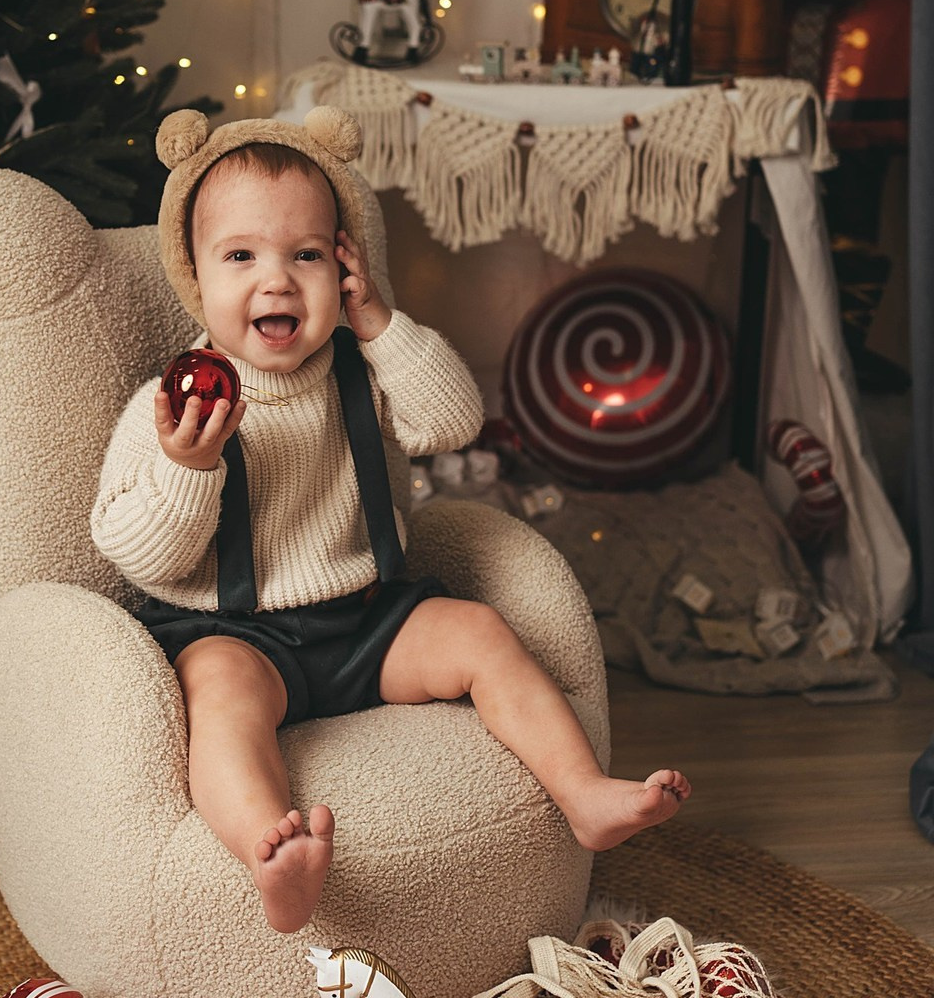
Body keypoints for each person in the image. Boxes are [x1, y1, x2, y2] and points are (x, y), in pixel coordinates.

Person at [91, 107, 690, 935]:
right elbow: (133, 551)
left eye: (305, 255)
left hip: (367, 618)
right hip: (237, 635)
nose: (275, 281)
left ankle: (582, 792)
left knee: (478, 631)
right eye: (240, 257)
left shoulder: (361, 369)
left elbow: (452, 422)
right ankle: (272, 852)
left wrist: (379, 324)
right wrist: (186, 469)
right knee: (218, 697)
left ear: (343, 269)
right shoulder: (174, 405)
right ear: (194, 276)